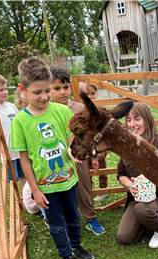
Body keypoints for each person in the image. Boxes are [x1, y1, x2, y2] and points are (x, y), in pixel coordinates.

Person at [11, 56, 94, 259]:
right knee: (57, 224)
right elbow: (25, 159)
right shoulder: (20, 122)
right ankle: (67, 257)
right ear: (23, 89)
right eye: (37, 92)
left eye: (48, 90)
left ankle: (76, 246)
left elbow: (69, 140)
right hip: (45, 187)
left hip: (69, 180)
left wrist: (71, 151)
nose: (45, 96)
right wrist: (35, 190)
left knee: (73, 217)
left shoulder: (61, 111)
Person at [50, 65, 106, 236]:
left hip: (79, 155)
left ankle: (90, 218)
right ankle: (65, 220)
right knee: (61, 189)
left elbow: (91, 135)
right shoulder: (47, 112)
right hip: (57, 158)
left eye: (65, 87)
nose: (62, 92)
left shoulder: (81, 109)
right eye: (57, 88)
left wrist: (94, 157)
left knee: (84, 185)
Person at [116, 102, 158, 249]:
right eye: (128, 120)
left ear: (147, 119)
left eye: (137, 119)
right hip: (138, 198)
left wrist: (157, 174)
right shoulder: (127, 146)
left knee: (143, 210)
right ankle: (147, 222)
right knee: (124, 237)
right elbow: (121, 174)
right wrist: (129, 185)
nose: (132, 124)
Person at [0, 72, 25, 185]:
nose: (5, 92)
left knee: (25, 176)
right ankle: (16, 202)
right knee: (11, 183)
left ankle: (27, 200)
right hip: (5, 154)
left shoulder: (11, 106)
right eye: (1, 90)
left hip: (19, 150)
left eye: (6, 89)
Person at [82, 82, 109, 202]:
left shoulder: (100, 109)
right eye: (87, 94)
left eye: (93, 93)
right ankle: (90, 190)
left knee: (101, 165)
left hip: (100, 145)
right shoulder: (81, 110)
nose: (91, 96)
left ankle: (103, 189)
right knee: (87, 167)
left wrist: (103, 148)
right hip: (86, 145)